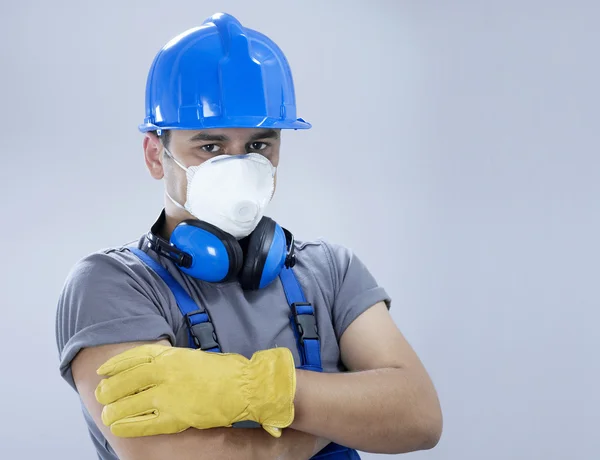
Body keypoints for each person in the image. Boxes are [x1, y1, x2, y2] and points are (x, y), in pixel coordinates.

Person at [55, 12, 443, 460]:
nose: (238, 166)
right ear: (155, 156)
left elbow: (418, 416)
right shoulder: (110, 285)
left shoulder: (332, 270)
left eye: (259, 145)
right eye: (210, 146)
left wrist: (258, 390)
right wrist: (338, 424)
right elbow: (163, 456)